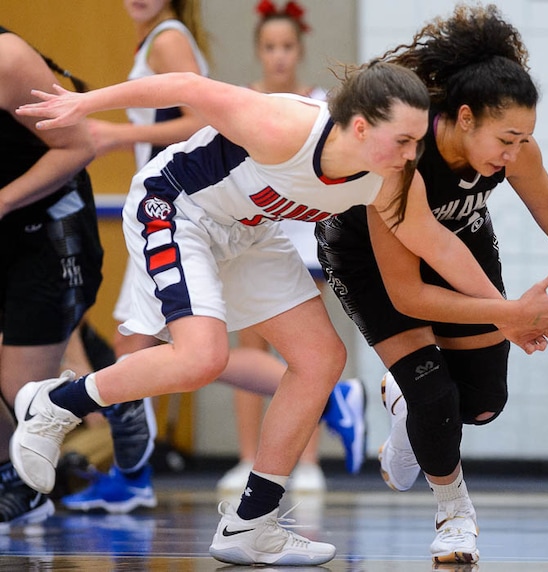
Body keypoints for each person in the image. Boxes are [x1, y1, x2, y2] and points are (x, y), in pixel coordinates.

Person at [12, 56, 548, 565]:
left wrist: (503, 313)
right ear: (359, 125)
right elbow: (188, 87)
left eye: (420, 140)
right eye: (402, 141)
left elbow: (437, 243)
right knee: (202, 357)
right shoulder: (282, 126)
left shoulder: (390, 176)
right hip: (178, 210)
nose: (412, 154)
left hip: (250, 233)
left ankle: (251, 524)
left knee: (321, 360)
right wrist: (87, 102)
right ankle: (54, 404)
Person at [315, 3, 548, 565]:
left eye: (524, 140)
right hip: (373, 259)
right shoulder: (403, 159)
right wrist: (506, 312)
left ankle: (403, 403)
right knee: (434, 394)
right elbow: (408, 294)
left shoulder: (514, 149)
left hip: (459, 241)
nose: (515, 154)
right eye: (506, 139)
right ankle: (454, 512)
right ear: (465, 118)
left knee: (483, 404)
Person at [58, 0, 211, 515]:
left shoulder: (166, 38)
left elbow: (198, 121)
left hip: (176, 210)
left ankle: (132, 477)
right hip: (175, 205)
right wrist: (125, 144)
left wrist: (117, 134)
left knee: (142, 347)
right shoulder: (160, 37)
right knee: (159, 347)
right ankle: (132, 475)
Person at [217, 0, 365, 497]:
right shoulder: (243, 102)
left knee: (306, 351)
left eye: (287, 47)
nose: (279, 56)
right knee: (249, 349)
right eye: (269, 47)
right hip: (250, 235)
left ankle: (306, 461)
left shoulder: (320, 105)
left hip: (303, 240)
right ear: (258, 51)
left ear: (299, 49)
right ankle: (247, 459)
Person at [0, 27, 103, 531]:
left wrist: (3, 198)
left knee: (21, 390)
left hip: (52, 234)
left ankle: (116, 409)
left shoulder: (6, 59)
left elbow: (78, 145)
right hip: (10, 230)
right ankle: (11, 482)